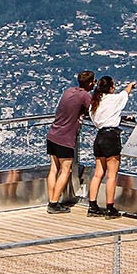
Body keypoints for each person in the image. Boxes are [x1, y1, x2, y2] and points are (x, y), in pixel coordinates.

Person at [84, 76, 137, 217]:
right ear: (111, 88)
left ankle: (92, 205)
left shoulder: (94, 102)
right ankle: (110, 207)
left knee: (98, 174)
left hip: (99, 137)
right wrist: (131, 85)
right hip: (111, 137)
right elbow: (124, 94)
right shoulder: (114, 99)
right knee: (111, 175)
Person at [44, 70, 96, 212]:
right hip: (65, 138)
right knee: (66, 170)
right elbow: (94, 111)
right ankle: (54, 203)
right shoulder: (85, 96)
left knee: (54, 169)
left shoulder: (69, 91)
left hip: (53, 134)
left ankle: (51, 199)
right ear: (91, 83)